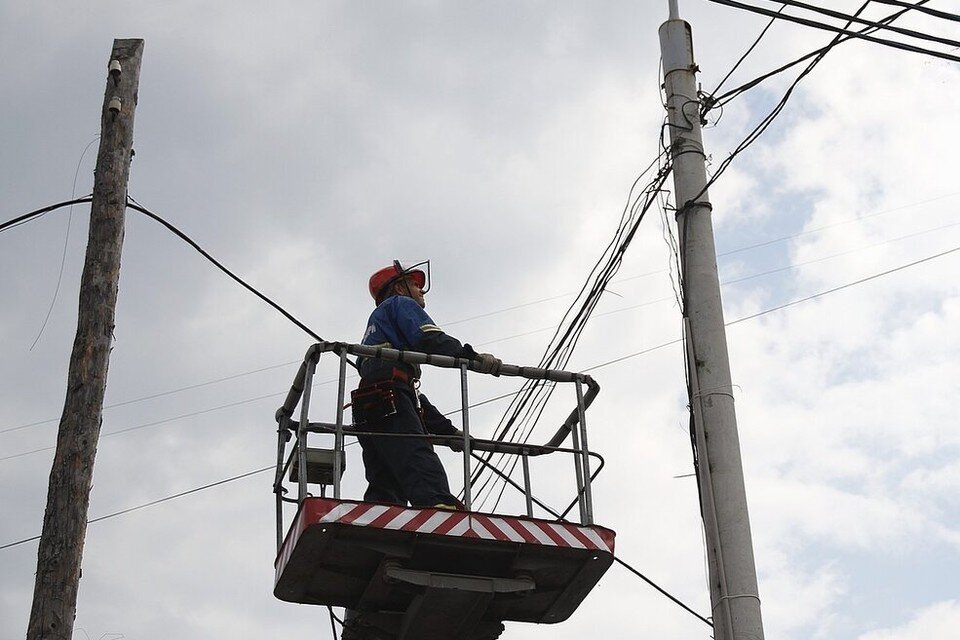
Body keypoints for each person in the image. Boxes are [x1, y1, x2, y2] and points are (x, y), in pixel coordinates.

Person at [351, 261, 501, 509]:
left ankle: (383, 513)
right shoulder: (400, 304)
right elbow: (429, 339)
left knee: (385, 468)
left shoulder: (377, 337)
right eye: (414, 285)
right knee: (414, 452)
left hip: (368, 403)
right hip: (389, 394)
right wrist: (472, 359)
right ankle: (438, 506)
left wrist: (448, 432)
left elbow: (411, 397)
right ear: (400, 288)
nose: (421, 291)